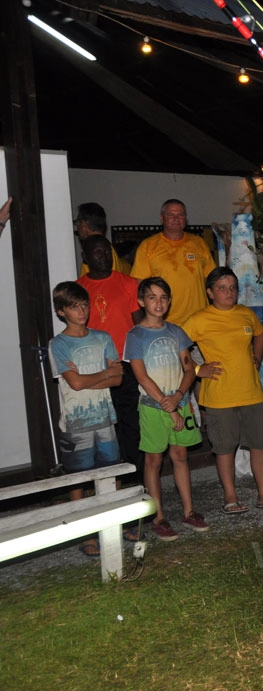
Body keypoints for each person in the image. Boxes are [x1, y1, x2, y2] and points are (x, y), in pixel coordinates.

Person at [183, 267, 263, 514]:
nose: (229, 292)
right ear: (210, 292)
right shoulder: (199, 319)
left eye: (232, 287)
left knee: (261, 443)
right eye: (222, 288)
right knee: (224, 447)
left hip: (251, 392)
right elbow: (176, 348)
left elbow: (260, 335)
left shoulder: (245, 314)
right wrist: (198, 370)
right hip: (220, 395)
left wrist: (257, 357)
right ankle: (230, 496)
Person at [125, 277, 207, 540]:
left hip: (179, 402)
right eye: (152, 297)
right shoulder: (135, 335)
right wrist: (168, 406)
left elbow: (189, 368)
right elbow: (142, 376)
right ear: (141, 301)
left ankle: (189, 511)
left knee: (181, 456)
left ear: (169, 301)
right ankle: (158, 516)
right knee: (154, 460)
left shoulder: (176, 332)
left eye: (163, 297)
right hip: (153, 407)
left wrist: (180, 396)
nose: (158, 302)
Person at [48, 281, 123, 556]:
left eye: (84, 305)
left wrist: (92, 378)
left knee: (110, 473)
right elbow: (75, 384)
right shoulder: (59, 344)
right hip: (76, 423)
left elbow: (119, 378)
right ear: (61, 312)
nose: (81, 311)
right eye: (73, 307)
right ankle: (87, 533)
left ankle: (113, 524)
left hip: (105, 418)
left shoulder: (103, 337)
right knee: (78, 479)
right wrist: (104, 374)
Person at [76, 234, 143, 483]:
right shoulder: (79, 288)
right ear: (85, 257)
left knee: (131, 422)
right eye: (97, 252)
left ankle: (136, 478)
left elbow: (139, 325)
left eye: (107, 251)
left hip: (125, 363)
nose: (104, 256)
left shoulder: (128, 283)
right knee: (102, 425)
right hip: (94, 367)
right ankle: (108, 480)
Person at [131, 199, 215, 325]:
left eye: (180, 215)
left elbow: (212, 278)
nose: (176, 218)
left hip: (199, 319)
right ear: (161, 218)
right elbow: (139, 284)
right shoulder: (148, 246)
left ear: (185, 218)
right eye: (171, 215)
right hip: (166, 321)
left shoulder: (199, 243)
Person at [75, 202, 130, 276]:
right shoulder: (109, 250)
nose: (77, 227)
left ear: (84, 225)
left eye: (78, 223)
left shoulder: (94, 254)